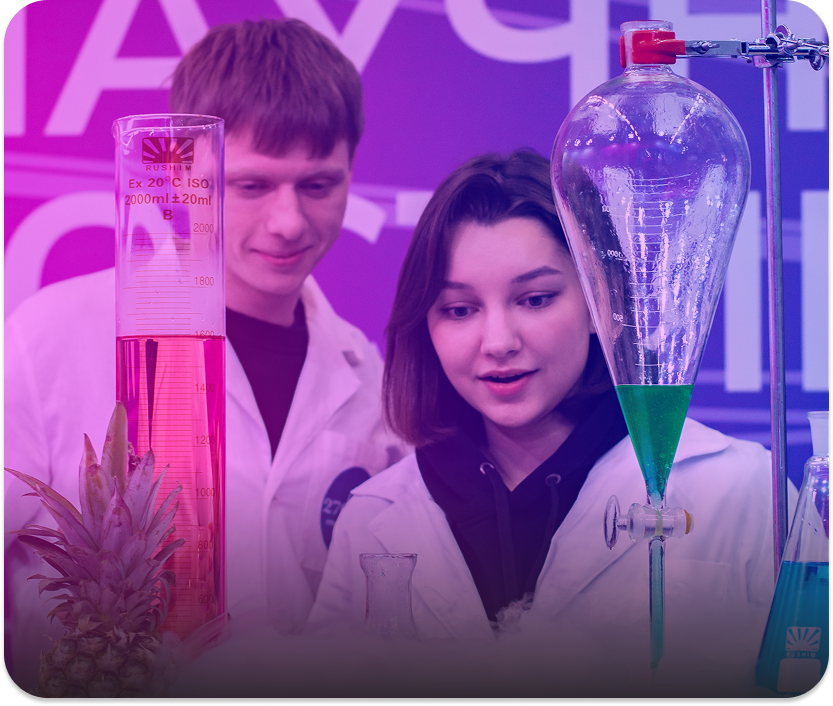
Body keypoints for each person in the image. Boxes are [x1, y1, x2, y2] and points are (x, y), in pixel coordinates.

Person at [3, 18, 405, 691]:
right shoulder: (51, 335)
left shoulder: (368, 379)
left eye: (317, 185)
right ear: (184, 168)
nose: (288, 222)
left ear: (351, 172)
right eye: (252, 185)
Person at [306, 151, 780, 687]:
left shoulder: (740, 490)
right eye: (459, 310)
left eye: (535, 299)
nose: (499, 342)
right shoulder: (373, 519)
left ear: (602, 302)